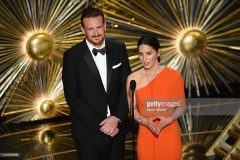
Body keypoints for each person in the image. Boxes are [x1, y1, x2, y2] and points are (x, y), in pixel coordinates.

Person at [62, 6, 131, 160]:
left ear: (105, 25)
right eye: (90, 29)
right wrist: (102, 125)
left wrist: (116, 118)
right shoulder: (72, 56)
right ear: (82, 29)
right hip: (88, 134)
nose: (96, 33)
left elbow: (126, 86)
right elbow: (72, 96)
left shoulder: (119, 48)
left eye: (99, 27)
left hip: (117, 130)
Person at [126, 35, 185, 160]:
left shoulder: (174, 76)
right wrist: (144, 120)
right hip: (146, 135)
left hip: (170, 134)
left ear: (158, 52)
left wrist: (170, 119)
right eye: (140, 54)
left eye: (148, 53)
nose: (144, 59)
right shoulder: (133, 79)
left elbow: (181, 106)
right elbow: (132, 109)